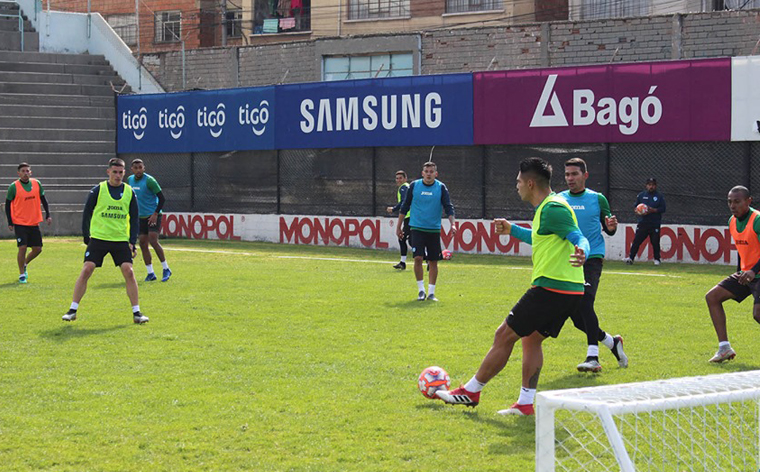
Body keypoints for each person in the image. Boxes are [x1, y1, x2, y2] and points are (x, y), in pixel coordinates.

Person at [435, 157, 589, 416]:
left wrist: (582, 250)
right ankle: (526, 403)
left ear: (530, 183)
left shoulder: (553, 208)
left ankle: (470, 391)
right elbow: (540, 238)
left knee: (504, 334)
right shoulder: (546, 209)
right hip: (568, 290)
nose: (516, 186)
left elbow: (578, 236)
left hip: (551, 288)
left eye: (518, 182)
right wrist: (512, 229)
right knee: (531, 340)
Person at [559, 158, 627, 373]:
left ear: (585, 176)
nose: (570, 178)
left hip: (592, 258)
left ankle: (592, 357)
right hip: (568, 260)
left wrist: (611, 226)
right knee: (577, 318)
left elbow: (610, 230)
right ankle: (611, 342)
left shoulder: (598, 199)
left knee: (586, 302)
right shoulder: (558, 199)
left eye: (574, 174)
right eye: (567, 174)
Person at [63, 158, 148, 324]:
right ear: (108, 172)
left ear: (124, 173)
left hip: (120, 239)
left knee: (129, 272)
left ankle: (137, 313)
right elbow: (87, 212)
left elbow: (134, 219)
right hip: (99, 238)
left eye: (121, 172)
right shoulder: (98, 190)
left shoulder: (130, 192)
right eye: (115, 172)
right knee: (87, 269)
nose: (118, 175)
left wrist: (132, 241)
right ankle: (72, 310)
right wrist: (86, 235)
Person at [704, 186, 760, 363]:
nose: (732, 205)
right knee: (712, 297)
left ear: (748, 201)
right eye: (729, 201)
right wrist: (739, 272)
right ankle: (724, 348)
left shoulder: (757, 220)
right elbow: (741, 249)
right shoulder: (732, 221)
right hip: (747, 274)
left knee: (758, 314)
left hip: (756, 274)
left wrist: (753, 271)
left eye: (737, 201)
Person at [396, 161, 456, 301]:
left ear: (436, 173)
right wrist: (398, 226)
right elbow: (405, 206)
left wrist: (453, 224)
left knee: (433, 261)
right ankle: (421, 290)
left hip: (434, 229)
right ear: (422, 173)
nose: (429, 174)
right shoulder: (414, 186)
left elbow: (448, 207)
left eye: (431, 172)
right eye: (426, 171)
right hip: (416, 228)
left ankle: (431, 293)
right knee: (418, 257)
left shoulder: (441, 187)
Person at [5, 162, 52, 284]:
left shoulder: (37, 184)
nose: (25, 173)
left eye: (27, 171)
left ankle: (24, 263)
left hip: (33, 222)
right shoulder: (13, 187)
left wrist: (48, 214)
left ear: (30, 172)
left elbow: (43, 199)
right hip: (20, 222)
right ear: (18, 173)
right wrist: (10, 221)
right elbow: (7, 204)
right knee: (22, 247)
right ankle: (21, 274)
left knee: (38, 249)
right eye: (23, 171)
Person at [127, 159, 171, 282]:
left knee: (153, 239)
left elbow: (162, 198)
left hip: (153, 215)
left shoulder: (150, 181)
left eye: (140, 167)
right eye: (135, 168)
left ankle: (166, 268)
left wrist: (155, 214)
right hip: (139, 217)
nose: (138, 170)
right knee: (142, 243)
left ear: (144, 168)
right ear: (132, 169)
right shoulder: (129, 180)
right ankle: (150, 273)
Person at [625, 178, 666, 266]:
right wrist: (638, 211)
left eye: (653, 185)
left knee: (655, 242)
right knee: (637, 241)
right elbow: (636, 207)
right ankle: (631, 258)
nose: (651, 186)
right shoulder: (641, 195)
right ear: (646, 185)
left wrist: (653, 210)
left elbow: (663, 209)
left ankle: (657, 259)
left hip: (654, 223)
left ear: (655, 186)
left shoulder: (659, 196)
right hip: (643, 223)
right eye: (649, 185)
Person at [387, 170, 411, 270]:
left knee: (408, 239)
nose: (398, 180)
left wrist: (394, 209)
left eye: (400, 178)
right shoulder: (407, 186)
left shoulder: (404, 187)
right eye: (397, 178)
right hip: (409, 217)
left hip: (410, 217)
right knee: (405, 239)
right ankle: (402, 262)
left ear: (405, 179)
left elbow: (404, 201)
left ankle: (428, 258)